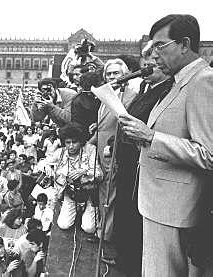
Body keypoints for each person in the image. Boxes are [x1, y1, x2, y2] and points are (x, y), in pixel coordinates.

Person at [119, 14, 213, 277]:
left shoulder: (202, 81)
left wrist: (151, 138)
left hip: (174, 208)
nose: (154, 54)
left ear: (184, 44)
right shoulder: (178, 81)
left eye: (160, 45)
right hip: (160, 203)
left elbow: (209, 154)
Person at [111, 39, 172, 275]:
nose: (146, 69)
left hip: (143, 167)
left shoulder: (165, 93)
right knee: (125, 215)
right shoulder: (147, 90)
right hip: (128, 162)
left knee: (134, 222)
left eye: (152, 65)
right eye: (144, 64)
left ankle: (131, 266)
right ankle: (124, 260)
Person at [88, 58, 138, 242]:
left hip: (113, 152)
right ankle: (103, 230)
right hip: (102, 151)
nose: (111, 76)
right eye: (108, 74)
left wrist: (111, 146)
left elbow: (126, 124)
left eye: (116, 73)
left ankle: (105, 235)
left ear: (125, 74)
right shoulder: (108, 94)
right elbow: (107, 122)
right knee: (104, 193)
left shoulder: (130, 95)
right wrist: (97, 127)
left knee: (109, 195)